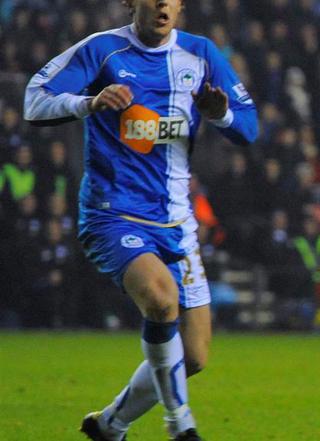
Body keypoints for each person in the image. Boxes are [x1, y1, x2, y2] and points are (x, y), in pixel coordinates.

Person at [23, 1, 258, 440]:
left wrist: (218, 114)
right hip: (114, 214)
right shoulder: (103, 51)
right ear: (132, 2)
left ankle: (111, 424)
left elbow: (248, 128)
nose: (161, 5)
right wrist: (89, 102)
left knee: (195, 355)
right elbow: (35, 101)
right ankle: (181, 424)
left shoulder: (202, 54)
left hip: (176, 222)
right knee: (161, 299)